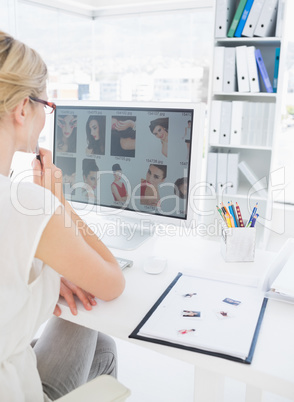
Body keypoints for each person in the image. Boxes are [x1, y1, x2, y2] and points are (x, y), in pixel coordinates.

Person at [0, 31, 125, 401]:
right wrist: (58, 202)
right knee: (92, 326)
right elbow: (112, 282)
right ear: (23, 108)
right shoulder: (26, 204)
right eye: (43, 105)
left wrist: (50, 265)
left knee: (102, 348)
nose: (43, 117)